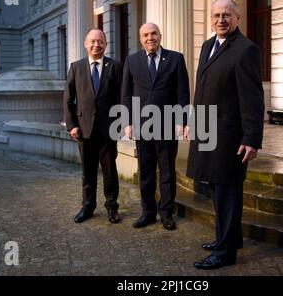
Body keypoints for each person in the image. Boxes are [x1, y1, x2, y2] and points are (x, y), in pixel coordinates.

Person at [186, 0, 264, 270]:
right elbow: (202, 89)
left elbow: (253, 98)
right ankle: (228, 238)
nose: (221, 20)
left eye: (226, 15)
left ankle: (225, 252)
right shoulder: (208, 45)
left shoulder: (246, 50)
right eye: (216, 15)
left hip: (230, 135)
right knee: (218, 189)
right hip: (208, 130)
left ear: (237, 18)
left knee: (228, 191)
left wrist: (251, 139)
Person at [121, 23, 190, 231]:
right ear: (140, 39)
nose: (150, 38)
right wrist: (128, 122)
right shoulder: (132, 60)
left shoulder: (176, 58)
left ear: (160, 35)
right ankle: (148, 212)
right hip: (142, 125)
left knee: (167, 171)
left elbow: (183, 92)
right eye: (145, 35)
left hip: (168, 124)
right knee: (146, 172)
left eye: (153, 34)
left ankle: (166, 213)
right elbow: (126, 93)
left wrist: (183, 121)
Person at [63, 29, 123, 224]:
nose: (96, 45)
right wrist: (72, 125)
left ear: (105, 44)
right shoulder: (76, 67)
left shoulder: (115, 67)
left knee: (109, 171)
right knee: (88, 172)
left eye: (100, 41)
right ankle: (88, 206)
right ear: (85, 44)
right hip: (84, 129)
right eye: (92, 41)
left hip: (108, 130)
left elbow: (122, 97)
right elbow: (68, 99)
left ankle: (112, 207)